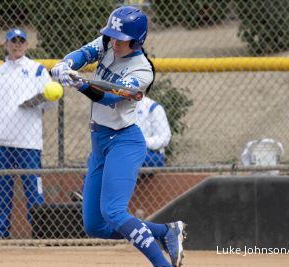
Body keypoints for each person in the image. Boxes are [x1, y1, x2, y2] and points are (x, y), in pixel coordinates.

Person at [51, 6, 186, 267]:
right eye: (112, 35)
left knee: (113, 212)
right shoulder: (108, 42)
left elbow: (112, 95)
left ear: (137, 41)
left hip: (125, 141)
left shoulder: (143, 70)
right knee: (95, 226)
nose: (114, 41)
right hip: (99, 143)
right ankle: (164, 232)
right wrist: (65, 64)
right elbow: (85, 53)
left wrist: (80, 83)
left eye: (121, 39)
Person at [0, 28, 53, 239]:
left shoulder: (37, 70)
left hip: (28, 140)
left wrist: (44, 99)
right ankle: (0, 230)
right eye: (13, 41)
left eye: (21, 41)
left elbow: (50, 103)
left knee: (33, 189)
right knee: (2, 189)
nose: (17, 45)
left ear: (27, 44)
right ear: (6, 44)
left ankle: (40, 231)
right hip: (0, 140)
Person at [136, 96, 172, 167]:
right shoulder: (118, 104)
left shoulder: (153, 106)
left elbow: (165, 137)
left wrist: (141, 142)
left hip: (150, 152)